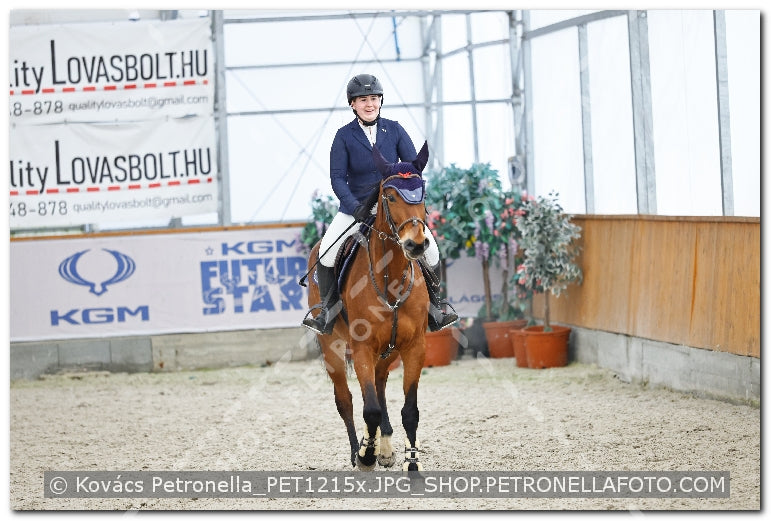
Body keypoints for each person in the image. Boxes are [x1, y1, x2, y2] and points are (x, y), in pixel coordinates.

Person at [303, 73, 458, 335]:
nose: (369, 104)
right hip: (357, 208)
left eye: (374, 98)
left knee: (432, 252)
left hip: (394, 207)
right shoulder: (343, 136)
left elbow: (412, 170)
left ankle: (435, 308)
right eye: (363, 99)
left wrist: (411, 200)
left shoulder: (395, 129)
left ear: (380, 101)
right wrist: (354, 207)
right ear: (353, 104)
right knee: (326, 253)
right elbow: (337, 178)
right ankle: (327, 312)